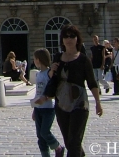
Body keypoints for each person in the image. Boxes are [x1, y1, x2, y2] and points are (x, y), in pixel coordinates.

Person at [45, 24, 102, 157]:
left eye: (72, 36)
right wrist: (51, 70)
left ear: (77, 39)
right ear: (62, 40)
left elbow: (92, 82)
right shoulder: (58, 57)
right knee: (70, 142)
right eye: (66, 36)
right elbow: (52, 79)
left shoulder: (83, 59)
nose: (69, 39)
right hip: (61, 104)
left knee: (75, 141)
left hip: (79, 104)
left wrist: (98, 102)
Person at [31, 48, 64, 157]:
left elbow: (53, 90)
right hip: (38, 108)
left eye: (35, 59)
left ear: (39, 60)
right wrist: (34, 109)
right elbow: (37, 92)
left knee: (45, 132)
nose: (34, 61)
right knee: (40, 137)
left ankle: (58, 147)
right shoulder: (38, 74)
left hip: (48, 108)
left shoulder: (49, 73)